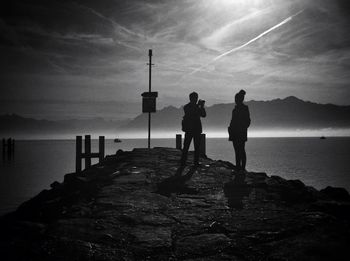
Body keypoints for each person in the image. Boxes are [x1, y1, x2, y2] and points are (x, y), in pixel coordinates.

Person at [180, 92, 206, 167]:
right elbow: (193, 113)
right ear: (191, 98)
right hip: (190, 129)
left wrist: (202, 107)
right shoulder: (187, 107)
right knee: (187, 146)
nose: (196, 99)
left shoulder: (193, 107)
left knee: (196, 147)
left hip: (194, 130)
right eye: (195, 98)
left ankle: (194, 162)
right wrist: (199, 106)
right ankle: (185, 161)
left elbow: (204, 115)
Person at [228, 90, 250, 173]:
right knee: (238, 150)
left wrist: (242, 128)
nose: (235, 100)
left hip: (239, 132)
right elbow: (233, 120)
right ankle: (239, 167)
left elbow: (247, 121)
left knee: (240, 150)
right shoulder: (236, 109)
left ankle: (241, 168)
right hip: (235, 132)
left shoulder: (244, 108)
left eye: (236, 98)